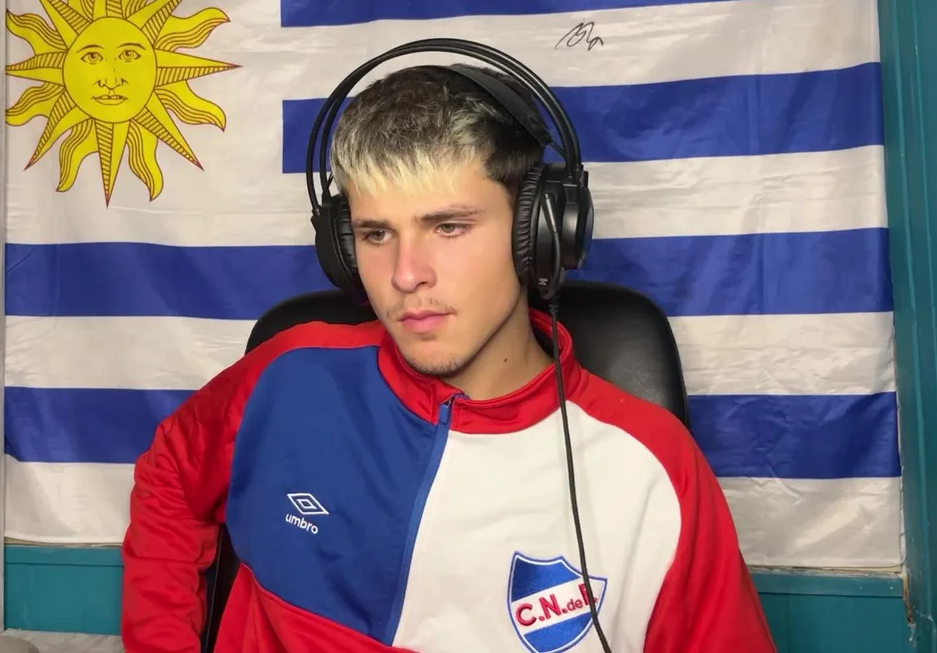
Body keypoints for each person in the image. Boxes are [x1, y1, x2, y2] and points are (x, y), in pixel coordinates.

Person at [121, 61, 777, 652]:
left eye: (449, 226)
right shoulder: (286, 373)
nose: (406, 274)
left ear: (538, 234)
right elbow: (169, 477)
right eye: (376, 233)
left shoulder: (655, 472)